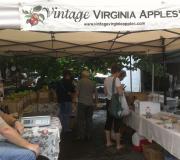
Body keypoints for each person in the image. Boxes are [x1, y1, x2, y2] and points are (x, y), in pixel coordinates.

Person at [104, 64, 124, 150]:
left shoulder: (106, 79)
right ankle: (118, 145)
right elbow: (120, 93)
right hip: (115, 103)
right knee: (117, 122)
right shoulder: (117, 79)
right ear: (117, 72)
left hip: (108, 102)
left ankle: (108, 142)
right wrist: (122, 88)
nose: (119, 74)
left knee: (108, 121)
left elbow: (105, 93)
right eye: (119, 72)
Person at [76, 70, 97, 140]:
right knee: (89, 119)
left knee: (80, 120)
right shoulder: (92, 82)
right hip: (90, 103)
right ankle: (89, 135)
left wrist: (75, 100)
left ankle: (81, 136)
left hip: (81, 103)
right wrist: (96, 103)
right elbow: (96, 94)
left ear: (82, 75)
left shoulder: (80, 82)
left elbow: (77, 93)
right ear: (88, 76)